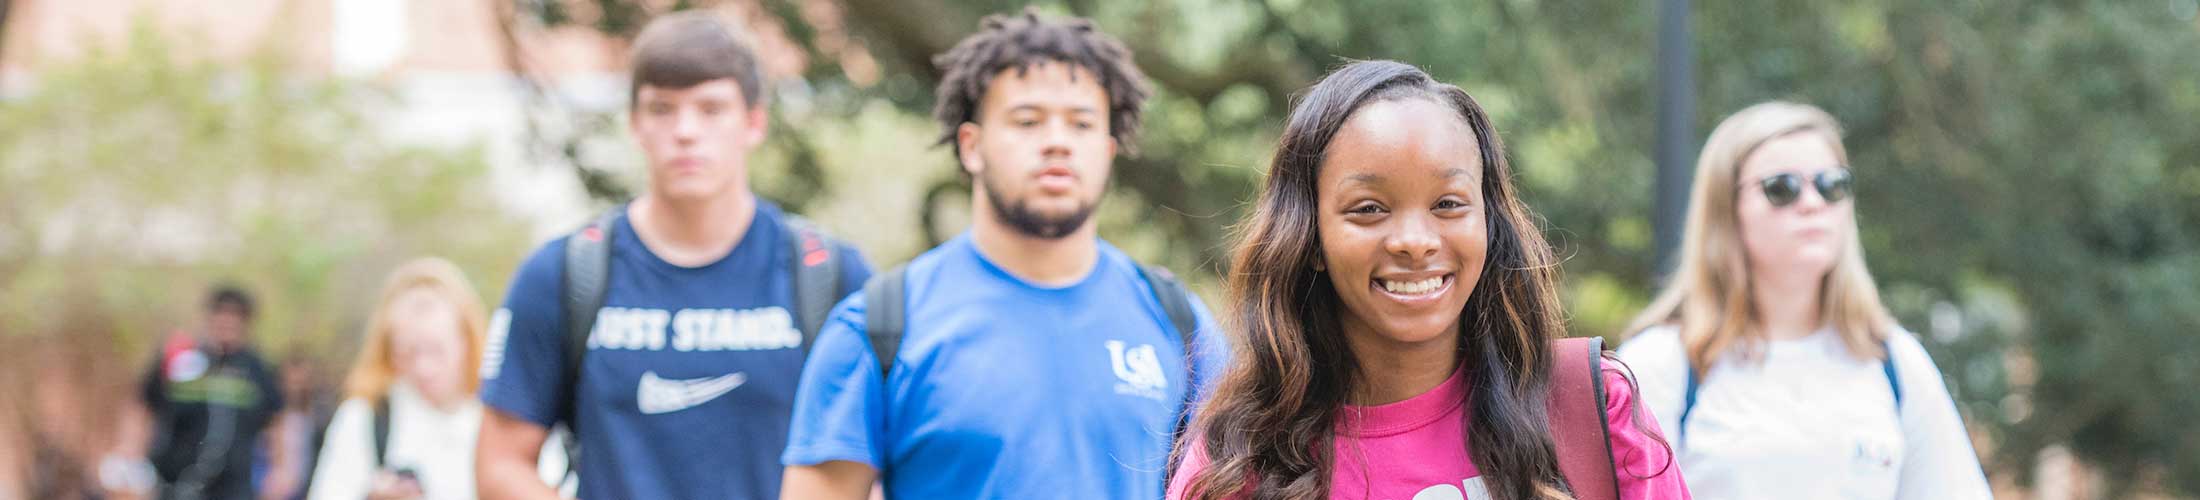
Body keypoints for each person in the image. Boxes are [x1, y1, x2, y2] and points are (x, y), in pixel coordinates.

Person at [1167, 60, 1688, 500]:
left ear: (1489, 221)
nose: (1415, 241)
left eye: (1448, 204)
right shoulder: (1242, 460)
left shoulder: (1590, 406)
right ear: (1309, 236)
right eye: (1368, 209)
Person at [778, 9, 1227, 499]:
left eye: (1081, 124)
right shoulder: (880, 324)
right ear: (972, 146)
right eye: (1027, 121)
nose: (1057, 142)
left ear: (1108, 151)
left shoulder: (1179, 323)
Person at [474, 10, 871, 500]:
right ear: (636, 124)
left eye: (710, 109)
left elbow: (875, 462)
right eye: (662, 109)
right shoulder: (563, 274)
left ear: (753, 122)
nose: (685, 132)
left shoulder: (827, 273)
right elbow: (500, 464)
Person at [1614, 101, 1991, 498]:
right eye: (1782, 188)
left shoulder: (1894, 361)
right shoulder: (1659, 363)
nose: (1813, 204)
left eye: (1832, 185)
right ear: (1726, 211)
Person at [311, 258, 562, 500]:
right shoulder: (367, 418)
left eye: (436, 350)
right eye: (408, 352)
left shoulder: (511, 415)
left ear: (466, 340)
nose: (424, 368)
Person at [142, 285, 286, 500]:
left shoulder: (258, 369)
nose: (227, 321)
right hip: (175, 483)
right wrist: (133, 462)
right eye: (221, 313)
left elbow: (276, 422)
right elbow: (144, 407)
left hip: (234, 488)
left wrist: (280, 470)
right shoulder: (181, 359)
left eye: (235, 315)